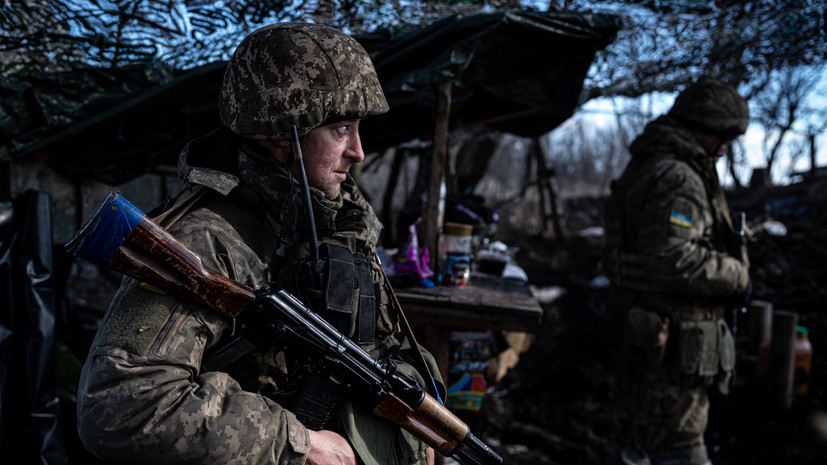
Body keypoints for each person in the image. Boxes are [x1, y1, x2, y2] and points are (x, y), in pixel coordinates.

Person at [76, 22, 443, 465]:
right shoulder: (210, 240)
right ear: (279, 133)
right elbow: (120, 406)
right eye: (341, 129)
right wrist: (301, 444)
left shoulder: (338, 223)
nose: (359, 151)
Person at [601, 77, 751, 465]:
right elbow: (671, 257)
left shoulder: (653, 164)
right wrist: (738, 274)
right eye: (722, 137)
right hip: (672, 347)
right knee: (678, 449)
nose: (724, 149)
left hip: (652, 334)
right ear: (701, 129)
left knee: (642, 444)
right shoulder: (678, 177)